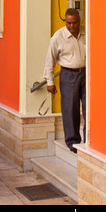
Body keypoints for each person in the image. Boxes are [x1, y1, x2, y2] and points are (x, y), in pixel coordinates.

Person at [43, 8, 86, 154]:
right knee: (70, 109)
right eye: (69, 23)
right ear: (65, 22)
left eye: (74, 22)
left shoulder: (86, 32)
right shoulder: (58, 37)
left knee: (89, 108)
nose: (72, 26)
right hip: (68, 75)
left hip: (86, 74)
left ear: (79, 20)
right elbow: (50, 59)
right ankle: (73, 142)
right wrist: (49, 81)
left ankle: (88, 141)